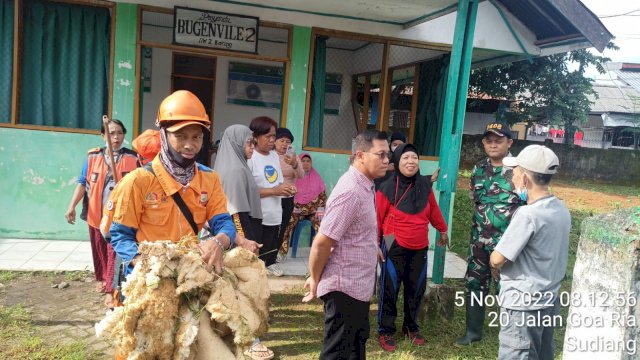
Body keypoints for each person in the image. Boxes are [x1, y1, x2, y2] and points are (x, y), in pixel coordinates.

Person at [109, 90, 236, 281]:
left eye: (196, 137)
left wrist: (218, 242)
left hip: (189, 275)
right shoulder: (138, 181)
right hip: (148, 278)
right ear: (163, 136)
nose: (189, 145)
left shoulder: (210, 179)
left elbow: (224, 223)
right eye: (181, 136)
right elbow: (121, 235)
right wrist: (145, 263)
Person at [302, 129, 389, 359]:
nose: (387, 161)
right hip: (344, 289)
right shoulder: (351, 190)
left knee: (355, 348)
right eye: (380, 155)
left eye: (387, 155)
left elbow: (356, 229)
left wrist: (372, 246)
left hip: (358, 286)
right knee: (338, 353)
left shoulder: (366, 184)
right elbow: (322, 242)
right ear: (360, 155)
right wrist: (314, 278)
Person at [490, 145, 569, 359]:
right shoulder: (562, 209)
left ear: (525, 179)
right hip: (549, 301)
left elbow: (497, 258)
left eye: (515, 172)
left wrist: (493, 261)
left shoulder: (528, 214)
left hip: (523, 305)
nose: (512, 177)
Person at [376, 143, 449, 352]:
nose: (411, 161)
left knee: (416, 288)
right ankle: (385, 330)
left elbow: (433, 210)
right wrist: (375, 243)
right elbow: (376, 217)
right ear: (397, 161)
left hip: (420, 244)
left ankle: (411, 327)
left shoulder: (425, 186)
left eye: (414, 157)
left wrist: (443, 230)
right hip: (391, 239)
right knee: (389, 287)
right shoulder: (387, 186)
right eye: (405, 157)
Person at [456, 122, 522, 346]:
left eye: (499, 140)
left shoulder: (519, 171)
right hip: (479, 241)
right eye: (489, 140)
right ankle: (473, 332)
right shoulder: (478, 169)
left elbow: (529, 208)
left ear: (509, 142)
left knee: (507, 287)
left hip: (507, 244)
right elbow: (476, 201)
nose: (493, 144)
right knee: (475, 284)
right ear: (484, 143)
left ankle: (512, 335)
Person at [213, 124, 273, 360]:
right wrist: (244, 241)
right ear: (237, 144)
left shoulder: (238, 165)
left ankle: (240, 334)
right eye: (249, 143)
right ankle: (249, 338)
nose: (252, 146)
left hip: (243, 229)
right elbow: (234, 212)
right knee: (241, 286)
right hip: (239, 231)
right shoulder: (235, 171)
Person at [64, 118, 139, 307]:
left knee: (115, 252)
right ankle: (104, 280)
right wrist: (71, 206)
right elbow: (83, 183)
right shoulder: (92, 158)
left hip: (119, 219)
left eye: (120, 133)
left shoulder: (132, 158)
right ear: (103, 135)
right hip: (96, 216)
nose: (116, 137)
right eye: (111, 133)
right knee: (100, 252)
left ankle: (111, 290)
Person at [247, 117, 294, 277]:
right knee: (255, 255)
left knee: (271, 245)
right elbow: (247, 191)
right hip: (257, 215)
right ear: (255, 136)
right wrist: (275, 191)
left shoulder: (274, 156)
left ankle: (270, 264)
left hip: (274, 211)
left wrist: (286, 189)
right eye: (268, 136)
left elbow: (277, 182)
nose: (272, 140)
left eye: (274, 136)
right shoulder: (250, 157)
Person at [278, 153, 327, 258]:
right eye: (303, 161)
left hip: (312, 211)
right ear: (299, 162)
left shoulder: (316, 177)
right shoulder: (294, 176)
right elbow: (288, 193)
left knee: (323, 226)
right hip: (296, 211)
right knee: (286, 224)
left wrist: (321, 208)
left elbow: (322, 196)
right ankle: (281, 252)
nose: (305, 164)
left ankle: (320, 253)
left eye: (308, 161)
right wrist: (293, 205)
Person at [273, 127, 304, 263]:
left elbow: (301, 175)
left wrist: (295, 164)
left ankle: (273, 256)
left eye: (288, 142)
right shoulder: (269, 155)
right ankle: (265, 255)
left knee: (282, 228)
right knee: (270, 227)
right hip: (272, 197)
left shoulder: (293, 157)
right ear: (274, 141)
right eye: (282, 140)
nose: (285, 144)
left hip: (288, 199)